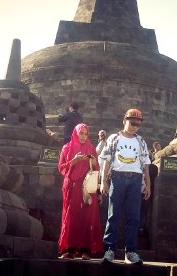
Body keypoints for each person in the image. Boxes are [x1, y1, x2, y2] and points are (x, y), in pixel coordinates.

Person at [100, 109, 151, 265]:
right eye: (132, 122)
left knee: (133, 217)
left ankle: (131, 252)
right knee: (113, 215)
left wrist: (148, 184)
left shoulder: (141, 141)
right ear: (124, 121)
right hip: (117, 177)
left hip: (136, 180)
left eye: (137, 123)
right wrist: (103, 181)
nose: (135, 126)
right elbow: (107, 160)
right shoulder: (114, 138)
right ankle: (110, 250)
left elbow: (145, 165)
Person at [57, 124, 103, 260]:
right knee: (71, 216)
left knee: (87, 217)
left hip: (87, 187)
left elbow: (97, 168)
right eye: (81, 133)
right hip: (72, 187)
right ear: (75, 134)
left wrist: (94, 162)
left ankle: (85, 250)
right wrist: (74, 161)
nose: (83, 136)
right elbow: (61, 167)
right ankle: (69, 249)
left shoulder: (91, 149)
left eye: (85, 134)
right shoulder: (67, 148)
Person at [139, 141, 161, 237]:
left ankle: (140, 228)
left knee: (142, 210)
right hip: (142, 191)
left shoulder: (150, 168)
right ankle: (140, 228)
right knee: (142, 211)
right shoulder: (151, 167)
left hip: (144, 191)